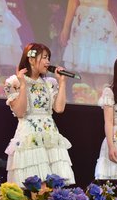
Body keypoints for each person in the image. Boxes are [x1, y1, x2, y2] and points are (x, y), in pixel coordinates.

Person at [4, 43, 75, 186]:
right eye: (44, 57)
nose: (48, 62)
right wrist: (23, 85)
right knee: (35, 184)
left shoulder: (50, 83)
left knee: (53, 184)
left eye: (48, 58)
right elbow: (20, 112)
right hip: (29, 136)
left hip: (50, 135)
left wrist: (62, 83)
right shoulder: (14, 82)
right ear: (31, 59)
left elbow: (59, 108)